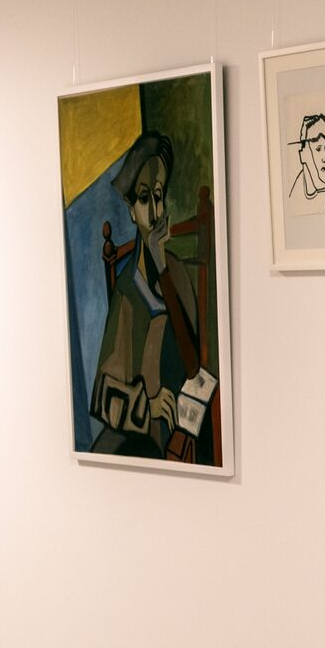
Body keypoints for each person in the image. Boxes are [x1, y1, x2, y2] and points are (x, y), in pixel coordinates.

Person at [89, 131, 208, 461]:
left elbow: (192, 366)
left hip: (181, 424)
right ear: (131, 210)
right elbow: (102, 393)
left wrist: (162, 268)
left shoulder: (177, 273)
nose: (154, 211)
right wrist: (147, 405)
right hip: (143, 432)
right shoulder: (127, 290)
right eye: (144, 198)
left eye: (158, 196)